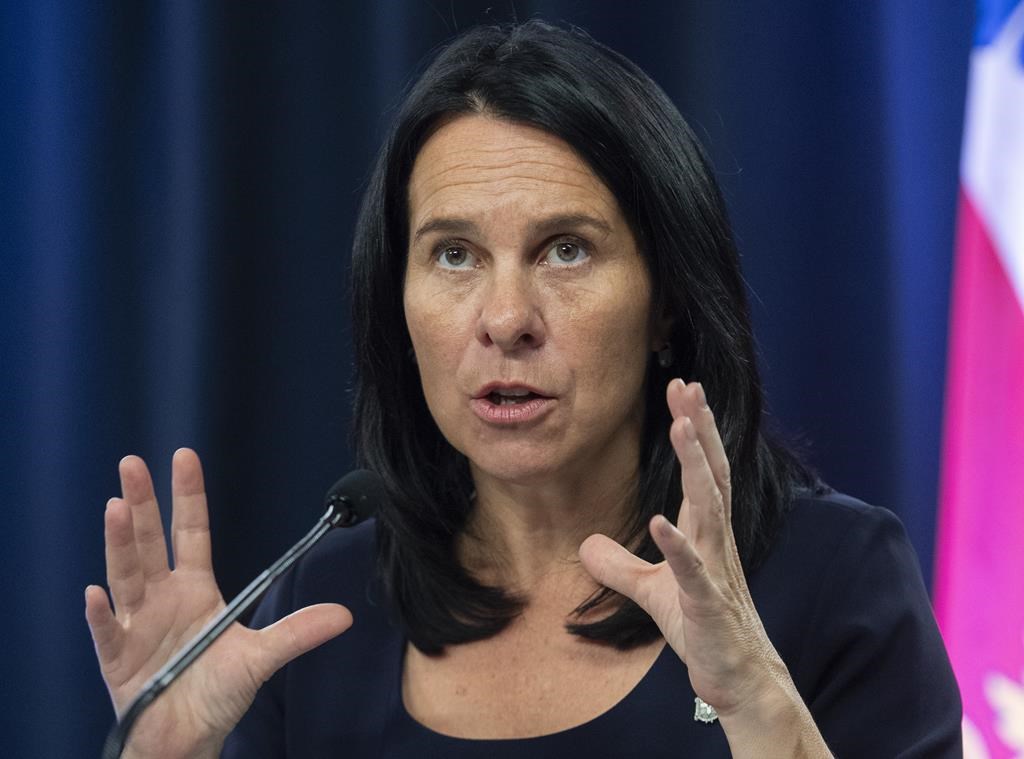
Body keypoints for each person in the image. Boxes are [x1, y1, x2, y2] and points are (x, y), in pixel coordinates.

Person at [86, 20, 963, 758]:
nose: (506, 318)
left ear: (667, 303)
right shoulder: (323, 610)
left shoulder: (835, 579)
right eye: (454, 254)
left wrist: (759, 704)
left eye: (565, 249)